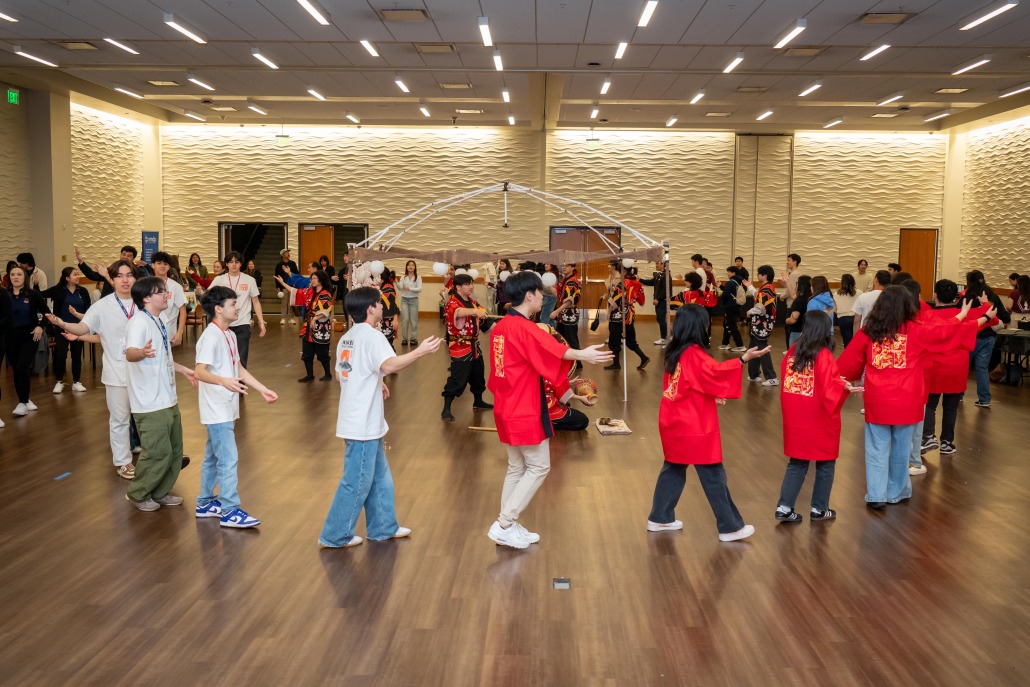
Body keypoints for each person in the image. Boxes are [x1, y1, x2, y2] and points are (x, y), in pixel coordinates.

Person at [486, 271, 613, 549]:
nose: (543, 297)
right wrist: (584, 354)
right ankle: (504, 523)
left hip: (506, 405)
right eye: (540, 293)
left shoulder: (502, 327)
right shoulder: (525, 328)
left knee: (517, 466)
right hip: (523, 406)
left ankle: (508, 524)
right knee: (539, 466)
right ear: (529, 295)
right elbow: (556, 351)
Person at [837, 286, 991, 509]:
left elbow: (848, 363)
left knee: (876, 448)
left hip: (878, 398)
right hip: (907, 399)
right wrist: (971, 316)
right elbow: (946, 331)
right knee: (902, 448)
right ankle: (897, 491)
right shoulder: (917, 329)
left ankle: (877, 494)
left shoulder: (869, 331)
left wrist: (829, 378)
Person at [318, 288, 443, 548]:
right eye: (379, 303)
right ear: (370, 309)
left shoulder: (347, 337)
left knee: (379, 478)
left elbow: (346, 374)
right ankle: (334, 535)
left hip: (362, 421)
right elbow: (388, 365)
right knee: (356, 482)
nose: (383, 306)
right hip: (361, 423)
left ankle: (383, 527)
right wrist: (420, 352)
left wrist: (377, 382)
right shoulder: (372, 336)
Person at [647, 304, 769, 541]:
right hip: (692, 424)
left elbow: (687, 384)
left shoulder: (676, 351)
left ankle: (660, 517)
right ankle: (730, 526)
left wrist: (710, 395)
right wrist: (743, 359)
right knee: (713, 473)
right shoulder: (694, 353)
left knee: (674, 468)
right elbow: (714, 372)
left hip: (673, 419)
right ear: (698, 326)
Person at [193, 286, 278, 528]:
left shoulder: (229, 334)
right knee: (228, 459)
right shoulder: (210, 337)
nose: (237, 307)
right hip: (216, 409)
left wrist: (262, 388)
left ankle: (205, 502)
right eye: (232, 304)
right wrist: (223, 380)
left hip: (226, 407)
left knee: (212, 457)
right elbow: (200, 371)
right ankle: (230, 511)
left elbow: (238, 368)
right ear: (218, 309)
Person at [775, 311, 860, 523]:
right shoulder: (823, 355)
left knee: (797, 462)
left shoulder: (793, 352)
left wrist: (838, 383)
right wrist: (845, 386)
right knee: (825, 462)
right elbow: (830, 387)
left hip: (796, 417)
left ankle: (785, 507)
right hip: (819, 418)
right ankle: (819, 509)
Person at [122, 277, 197, 511]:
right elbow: (131, 353)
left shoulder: (160, 320)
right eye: (161, 292)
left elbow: (164, 357)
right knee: (157, 452)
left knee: (174, 451)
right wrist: (141, 352)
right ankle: (138, 493)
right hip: (149, 402)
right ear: (146, 298)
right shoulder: (139, 323)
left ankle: (160, 491)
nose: (166, 295)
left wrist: (183, 370)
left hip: (167, 398)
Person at [918, 279, 992, 464]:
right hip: (956, 367)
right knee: (951, 407)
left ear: (935, 295)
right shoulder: (964, 315)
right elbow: (993, 319)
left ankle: (928, 437)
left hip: (932, 367)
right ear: (956, 297)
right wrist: (985, 304)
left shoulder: (926, 316)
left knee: (930, 404)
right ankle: (946, 442)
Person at [441, 273, 493, 421]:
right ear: (458, 287)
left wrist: (504, 329)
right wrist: (475, 312)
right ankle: (446, 408)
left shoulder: (473, 302)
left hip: (475, 346)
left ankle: (478, 400)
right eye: (467, 284)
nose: (471, 286)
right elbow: (457, 313)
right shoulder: (453, 303)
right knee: (458, 378)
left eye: (472, 283)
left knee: (478, 374)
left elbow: (486, 319)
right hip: (460, 346)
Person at [5, 266, 50, 417]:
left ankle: (22, 403)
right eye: (13, 274)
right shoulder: (4, 295)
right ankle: (25, 399)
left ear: (24, 277)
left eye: (19, 274)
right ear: (9, 277)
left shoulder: (33, 295)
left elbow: (45, 313)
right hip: (10, 337)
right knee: (17, 369)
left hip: (30, 336)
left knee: (22, 367)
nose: (16, 277)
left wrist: (39, 326)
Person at [962, 270, 1010, 408]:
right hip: (989, 338)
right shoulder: (993, 295)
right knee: (982, 369)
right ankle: (984, 399)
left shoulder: (967, 295)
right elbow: (1005, 317)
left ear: (969, 281)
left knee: (963, 367)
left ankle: (958, 395)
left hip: (970, 336)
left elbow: (959, 314)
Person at [210, 251, 266, 368]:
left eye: (237, 262)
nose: (234, 264)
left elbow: (255, 302)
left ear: (241, 264)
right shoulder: (220, 280)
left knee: (241, 358)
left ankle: (240, 384)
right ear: (226, 264)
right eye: (231, 262)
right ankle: (226, 383)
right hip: (223, 324)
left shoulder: (250, 280)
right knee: (223, 357)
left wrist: (261, 321)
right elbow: (209, 297)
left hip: (243, 323)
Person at [277, 270, 334, 382]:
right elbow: (296, 292)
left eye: (314, 279)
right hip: (308, 325)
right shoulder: (309, 291)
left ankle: (328, 374)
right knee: (307, 351)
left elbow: (326, 310)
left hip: (321, 326)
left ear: (320, 280)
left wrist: (316, 318)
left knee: (322, 352)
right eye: (311, 279)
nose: (311, 281)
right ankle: (309, 375)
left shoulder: (325, 294)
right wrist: (283, 283)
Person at [41, 267, 91, 393]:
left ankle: (76, 382)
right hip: (62, 328)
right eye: (75, 274)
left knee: (76, 355)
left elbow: (88, 310)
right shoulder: (58, 290)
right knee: (61, 355)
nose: (78, 276)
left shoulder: (83, 291)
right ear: (67, 278)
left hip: (79, 328)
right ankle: (59, 381)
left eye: (78, 273)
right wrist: (36, 284)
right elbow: (40, 295)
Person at [604, 261, 649, 371]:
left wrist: (609, 311)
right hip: (629, 315)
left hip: (618, 315)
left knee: (614, 339)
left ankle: (616, 364)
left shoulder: (622, 283)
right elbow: (642, 301)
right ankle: (643, 357)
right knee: (631, 340)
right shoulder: (637, 284)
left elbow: (616, 301)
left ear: (622, 271)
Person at [742, 265, 779, 386]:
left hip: (762, 323)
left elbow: (760, 307)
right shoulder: (766, 288)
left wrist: (749, 312)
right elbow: (759, 297)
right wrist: (750, 287)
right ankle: (754, 374)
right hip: (759, 323)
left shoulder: (767, 289)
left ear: (764, 275)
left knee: (762, 348)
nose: (758, 275)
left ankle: (772, 377)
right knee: (754, 346)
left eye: (759, 273)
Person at [148, 252, 187, 347]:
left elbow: (182, 310)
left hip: (168, 332)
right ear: (153, 265)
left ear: (169, 267)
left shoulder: (176, 287)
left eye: (165, 264)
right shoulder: (146, 285)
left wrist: (180, 332)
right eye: (159, 263)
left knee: (166, 360)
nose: (162, 266)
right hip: (149, 332)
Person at [552, 262, 582, 359]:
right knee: (559, 338)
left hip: (569, 314)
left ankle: (577, 362)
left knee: (571, 339)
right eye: (563, 265)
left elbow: (569, 301)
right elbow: (557, 293)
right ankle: (565, 359)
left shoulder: (572, 281)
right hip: (563, 314)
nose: (564, 267)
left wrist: (556, 311)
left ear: (573, 267)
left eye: (567, 265)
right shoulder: (565, 280)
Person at [640, 261, 670, 344]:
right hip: (658, 301)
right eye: (656, 264)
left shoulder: (666, 275)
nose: (656, 265)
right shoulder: (659, 275)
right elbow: (651, 282)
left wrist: (658, 299)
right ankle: (668, 335)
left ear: (663, 264)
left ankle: (665, 338)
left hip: (663, 301)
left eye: (657, 264)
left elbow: (666, 290)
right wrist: (640, 279)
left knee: (660, 318)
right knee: (660, 318)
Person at [718, 266, 745, 352]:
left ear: (733, 273)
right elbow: (731, 292)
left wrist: (721, 299)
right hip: (735, 306)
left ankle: (740, 345)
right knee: (727, 324)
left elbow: (726, 294)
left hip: (730, 306)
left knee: (732, 325)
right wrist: (721, 286)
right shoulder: (737, 282)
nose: (728, 273)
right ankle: (725, 343)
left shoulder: (730, 282)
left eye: (729, 272)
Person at [399, 260, 422, 345]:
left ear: (415, 267)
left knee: (413, 320)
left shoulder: (418, 277)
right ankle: (404, 338)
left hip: (414, 300)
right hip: (404, 299)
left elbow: (419, 289)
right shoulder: (403, 277)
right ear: (406, 267)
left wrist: (410, 288)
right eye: (409, 265)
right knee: (405, 319)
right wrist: (397, 283)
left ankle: (414, 338)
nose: (411, 267)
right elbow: (400, 287)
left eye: (412, 265)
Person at [784, 275, 812, 347]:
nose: (796, 285)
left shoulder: (799, 301)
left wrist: (787, 320)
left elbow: (793, 319)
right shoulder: (810, 298)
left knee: (794, 355)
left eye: (797, 283)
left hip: (797, 332)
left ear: (800, 285)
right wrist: (787, 282)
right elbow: (793, 295)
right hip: (808, 331)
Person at [834, 274, 860, 348]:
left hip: (843, 319)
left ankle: (848, 357)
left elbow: (834, 309)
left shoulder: (836, 294)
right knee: (857, 341)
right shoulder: (859, 292)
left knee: (846, 341)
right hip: (856, 318)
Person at [275, 249, 300, 325]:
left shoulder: (293, 263)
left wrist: (296, 283)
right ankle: (283, 318)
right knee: (284, 302)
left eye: (288, 253)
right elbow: (277, 275)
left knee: (291, 302)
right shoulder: (279, 265)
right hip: (283, 286)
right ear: (283, 255)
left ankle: (291, 318)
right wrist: (277, 286)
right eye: (286, 253)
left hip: (292, 286)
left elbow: (296, 274)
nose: (288, 254)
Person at [378, 270, 401, 347]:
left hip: (388, 320)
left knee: (387, 344)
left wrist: (395, 319)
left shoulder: (388, 288)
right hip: (383, 320)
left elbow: (394, 304)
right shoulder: (383, 286)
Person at [539, 264, 560, 328]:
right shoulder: (546, 275)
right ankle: (553, 333)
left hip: (550, 298)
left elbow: (555, 293)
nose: (545, 265)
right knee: (548, 318)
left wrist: (549, 284)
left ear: (552, 265)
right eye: (545, 264)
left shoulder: (552, 276)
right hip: (545, 298)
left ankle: (547, 333)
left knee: (544, 318)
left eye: (548, 264)